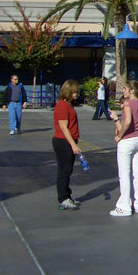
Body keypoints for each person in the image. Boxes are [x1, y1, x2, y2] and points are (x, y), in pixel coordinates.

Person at [110, 80, 138, 217]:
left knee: (124, 174)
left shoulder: (127, 103)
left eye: (125, 88)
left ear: (132, 90)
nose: (123, 91)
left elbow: (127, 122)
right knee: (137, 172)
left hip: (127, 142)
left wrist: (118, 131)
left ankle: (124, 206)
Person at [52, 79, 81, 211]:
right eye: (74, 92)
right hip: (63, 141)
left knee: (67, 170)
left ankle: (66, 195)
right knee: (64, 170)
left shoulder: (68, 105)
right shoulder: (62, 106)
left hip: (68, 140)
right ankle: (63, 198)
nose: (76, 94)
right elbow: (64, 127)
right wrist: (73, 145)